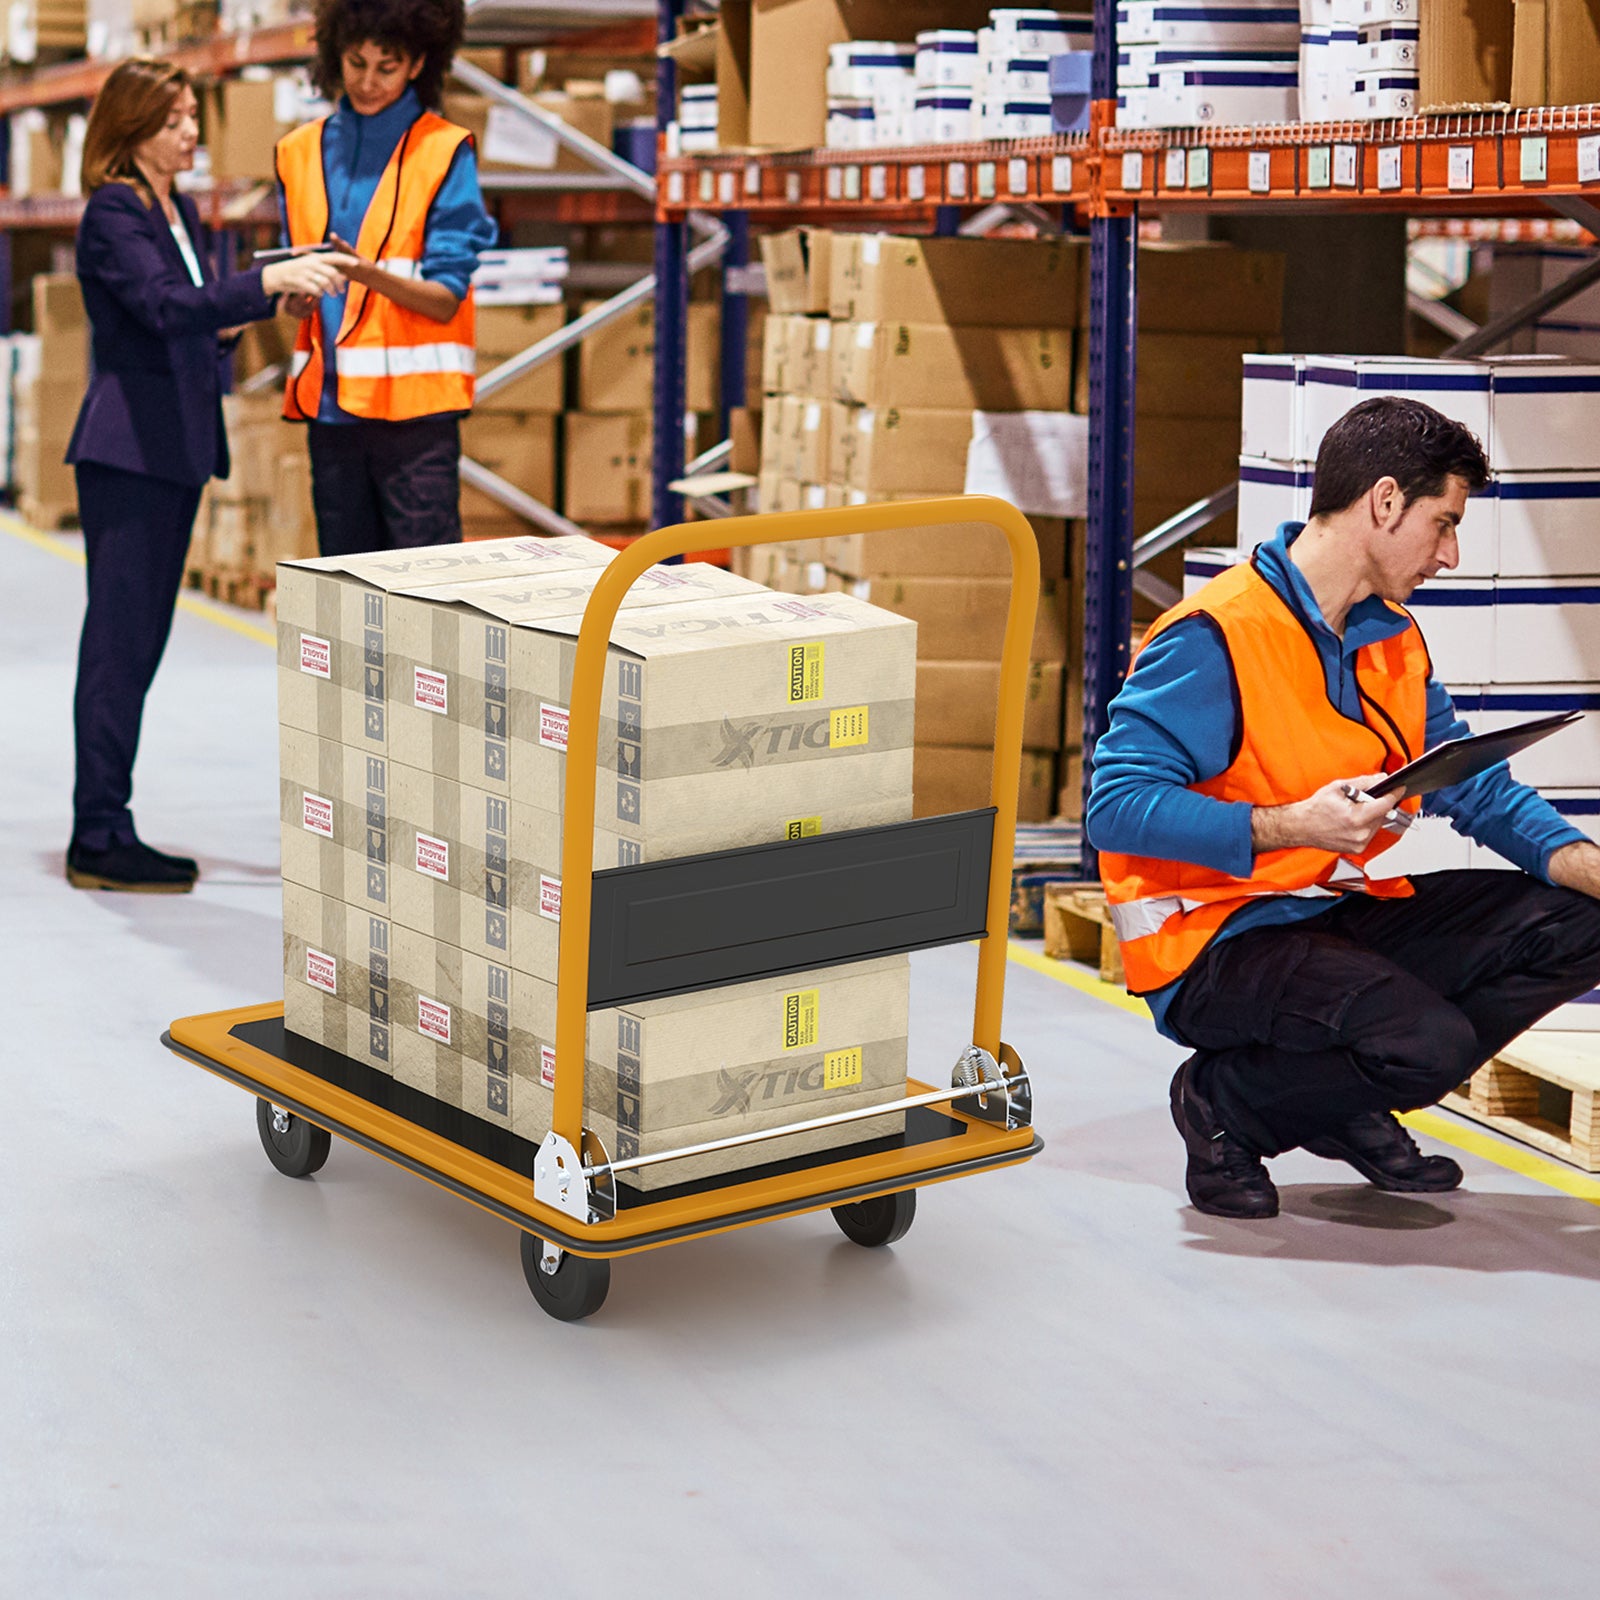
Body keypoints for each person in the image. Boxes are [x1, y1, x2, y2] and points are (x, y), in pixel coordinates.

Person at [1087, 396, 1600, 1219]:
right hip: (1212, 942)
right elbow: (1114, 809)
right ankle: (1224, 1102)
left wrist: (1588, 867)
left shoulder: (1389, 637)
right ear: (1386, 502)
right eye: (1444, 524)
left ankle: (1334, 1093)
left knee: (1581, 921)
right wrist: (1293, 825)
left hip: (1322, 916)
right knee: (1427, 1046)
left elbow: (1471, 784)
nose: (1451, 555)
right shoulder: (1217, 634)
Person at [65, 58, 349, 894]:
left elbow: (188, 322)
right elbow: (159, 308)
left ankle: (108, 821)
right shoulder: (115, 211)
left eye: (192, 115)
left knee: (141, 642)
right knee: (119, 645)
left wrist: (261, 308)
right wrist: (264, 280)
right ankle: (98, 833)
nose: (192, 131)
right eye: (175, 120)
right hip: (129, 453)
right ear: (132, 128)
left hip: (174, 449)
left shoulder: (177, 209)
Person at [276, 0, 497, 555]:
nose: (368, 82)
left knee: (423, 592)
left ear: (418, 63)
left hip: (415, 421)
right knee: (343, 588)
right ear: (335, 54)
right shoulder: (297, 153)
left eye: (387, 67)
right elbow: (297, 280)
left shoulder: (444, 151)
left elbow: (444, 299)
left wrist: (364, 273)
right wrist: (295, 298)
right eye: (356, 63)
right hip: (331, 415)